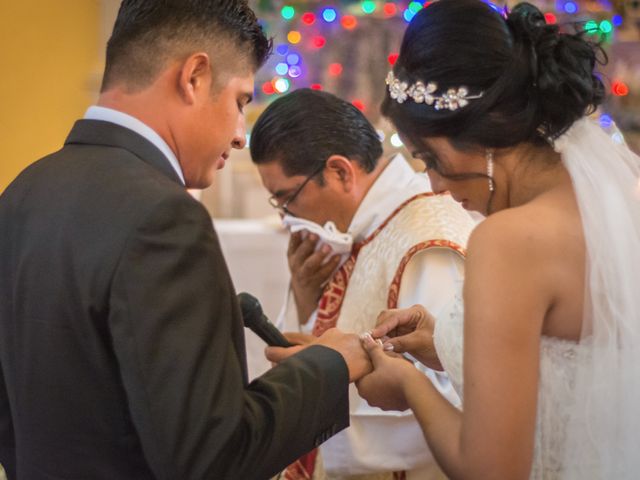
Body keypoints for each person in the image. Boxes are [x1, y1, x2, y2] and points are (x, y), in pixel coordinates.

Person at [0, 2, 372, 479]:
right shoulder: (164, 216)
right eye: (240, 101)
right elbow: (211, 456)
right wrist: (330, 364)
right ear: (194, 76)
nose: (241, 136)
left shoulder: (24, 192)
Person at [352, 0, 640, 478]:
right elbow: (579, 364)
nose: (434, 185)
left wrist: (408, 385)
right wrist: (448, 341)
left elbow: (491, 470)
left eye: (431, 158)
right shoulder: (612, 195)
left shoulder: (508, 240)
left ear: (482, 137)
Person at [250, 89, 476, 479]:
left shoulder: (429, 242)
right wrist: (306, 301)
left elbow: (456, 399)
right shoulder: (362, 226)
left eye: (288, 198)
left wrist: (326, 377)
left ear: (340, 172)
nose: (288, 218)